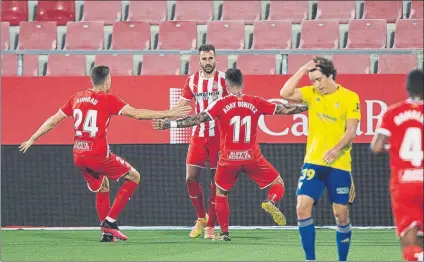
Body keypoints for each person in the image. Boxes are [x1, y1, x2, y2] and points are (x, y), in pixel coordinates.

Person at [19, 65, 191, 242]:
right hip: (98, 155)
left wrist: (33, 137)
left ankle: (106, 234)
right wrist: (170, 113)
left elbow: (52, 121)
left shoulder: (76, 97)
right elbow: (137, 114)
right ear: (108, 79)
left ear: (91, 80)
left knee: (103, 186)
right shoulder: (108, 98)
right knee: (134, 176)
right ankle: (110, 222)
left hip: (78, 154)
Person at [153, 68, 308, 241]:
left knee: (221, 192)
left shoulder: (221, 103)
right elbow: (285, 109)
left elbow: (197, 119)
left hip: (228, 159)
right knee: (277, 183)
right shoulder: (255, 101)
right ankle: (271, 201)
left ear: (226, 85)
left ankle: (224, 233)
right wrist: (308, 106)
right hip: (251, 157)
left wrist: (170, 125)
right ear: (242, 83)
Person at [280, 57, 360, 261]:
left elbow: (351, 131)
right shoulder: (311, 93)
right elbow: (285, 93)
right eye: (313, 80)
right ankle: (310, 259)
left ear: (330, 76)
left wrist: (335, 150)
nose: (316, 85)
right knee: (301, 207)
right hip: (314, 162)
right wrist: (302, 69)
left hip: (339, 165)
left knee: (341, 215)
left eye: (318, 79)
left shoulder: (350, 97)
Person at [172, 44, 227, 239]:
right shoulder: (192, 81)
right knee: (190, 178)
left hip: (219, 137)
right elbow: (182, 106)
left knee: (215, 182)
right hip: (198, 134)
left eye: (210, 58)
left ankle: (210, 226)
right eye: (204, 59)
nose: (208, 62)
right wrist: (167, 117)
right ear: (199, 61)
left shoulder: (224, 80)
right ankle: (201, 217)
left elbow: (232, 106)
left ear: (216, 59)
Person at [371, 69, 423, 262]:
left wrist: (394, 147)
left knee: (409, 246)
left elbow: (376, 147)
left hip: (404, 184)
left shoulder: (393, 112)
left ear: (406, 88)